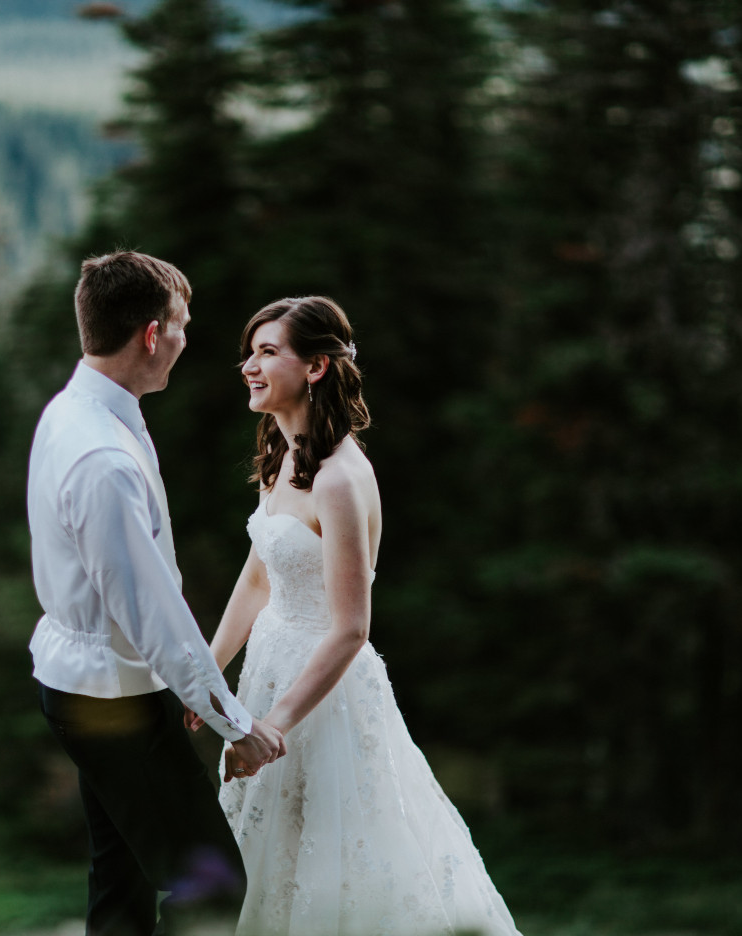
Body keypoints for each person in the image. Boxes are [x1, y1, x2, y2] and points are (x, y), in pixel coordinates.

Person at [199, 296, 523, 935]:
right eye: (249, 352)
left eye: (267, 352)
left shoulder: (341, 479)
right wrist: (206, 674)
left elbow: (351, 628)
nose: (248, 366)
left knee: (337, 871)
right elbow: (260, 572)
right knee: (270, 864)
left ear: (315, 367)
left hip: (320, 698)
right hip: (265, 671)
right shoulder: (284, 454)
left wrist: (272, 730)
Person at [26, 251, 286, 936]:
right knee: (212, 886)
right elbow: (152, 615)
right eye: (180, 324)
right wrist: (236, 722)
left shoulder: (75, 410)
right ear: (149, 334)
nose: (185, 339)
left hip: (88, 686)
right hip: (108, 702)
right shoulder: (102, 458)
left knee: (123, 882)